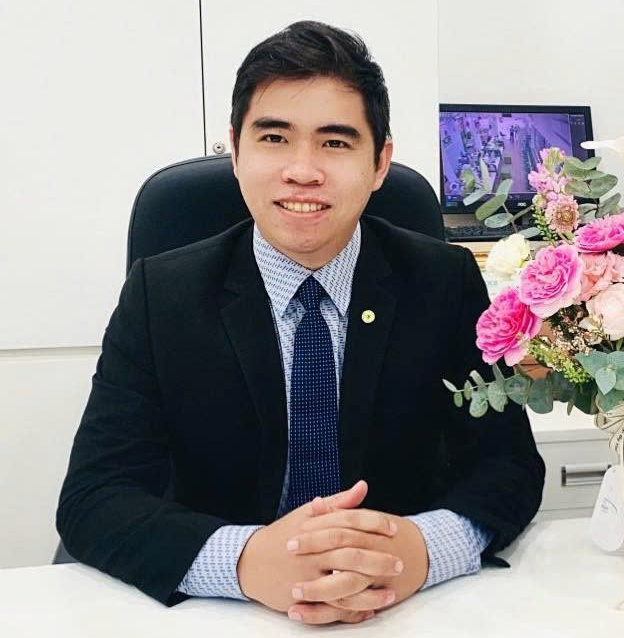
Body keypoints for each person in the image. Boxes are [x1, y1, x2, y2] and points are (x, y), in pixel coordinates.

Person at [56, 20, 545, 626]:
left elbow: (509, 466)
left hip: (402, 613)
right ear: (236, 152)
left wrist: (422, 551)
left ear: (380, 162)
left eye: (336, 143)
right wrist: (242, 562)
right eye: (274, 138)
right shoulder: (161, 294)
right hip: (219, 615)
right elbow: (95, 496)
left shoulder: (444, 282)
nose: (303, 170)